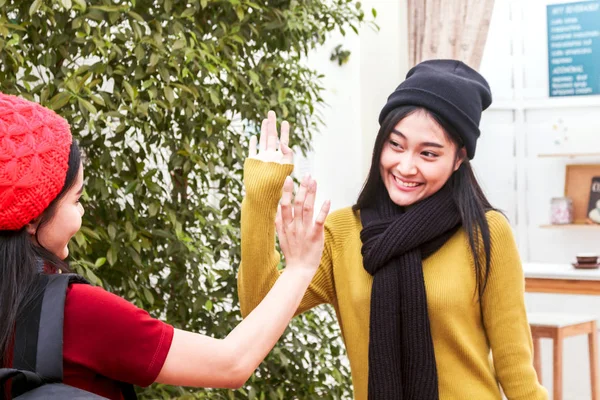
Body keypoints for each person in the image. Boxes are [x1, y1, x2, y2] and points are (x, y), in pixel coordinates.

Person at [238, 60, 548, 399]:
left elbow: (515, 370)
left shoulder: (486, 233)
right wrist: (259, 198)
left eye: (428, 154)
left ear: (459, 159)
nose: (405, 166)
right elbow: (257, 310)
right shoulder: (342, 233)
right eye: (395, 145)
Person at [0, 91, 330, 399]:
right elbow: (232, 362)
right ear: (31, 217)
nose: (82, 211)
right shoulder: (72, 312)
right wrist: (299, 268)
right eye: (77, 199)